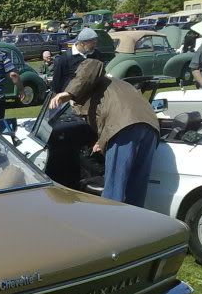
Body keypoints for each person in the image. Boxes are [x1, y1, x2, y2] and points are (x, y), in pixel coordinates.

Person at [49, 58, 159, 207]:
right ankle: (135, 224)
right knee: (137, 186)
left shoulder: (89, 77)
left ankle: (109, 224)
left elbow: (94, 64)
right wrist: (101, 141)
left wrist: (69, 93)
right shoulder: (115, 85)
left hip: (125, 125)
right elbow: (104, 115)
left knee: (114, 185)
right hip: (150, 125)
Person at [51, 27, 104, 94]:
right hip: (71, 97)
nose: (95, 46)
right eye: (92, 44)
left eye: (95, 43)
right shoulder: (64, 59)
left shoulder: (96, 54)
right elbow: (57, 83)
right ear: (82, 44)